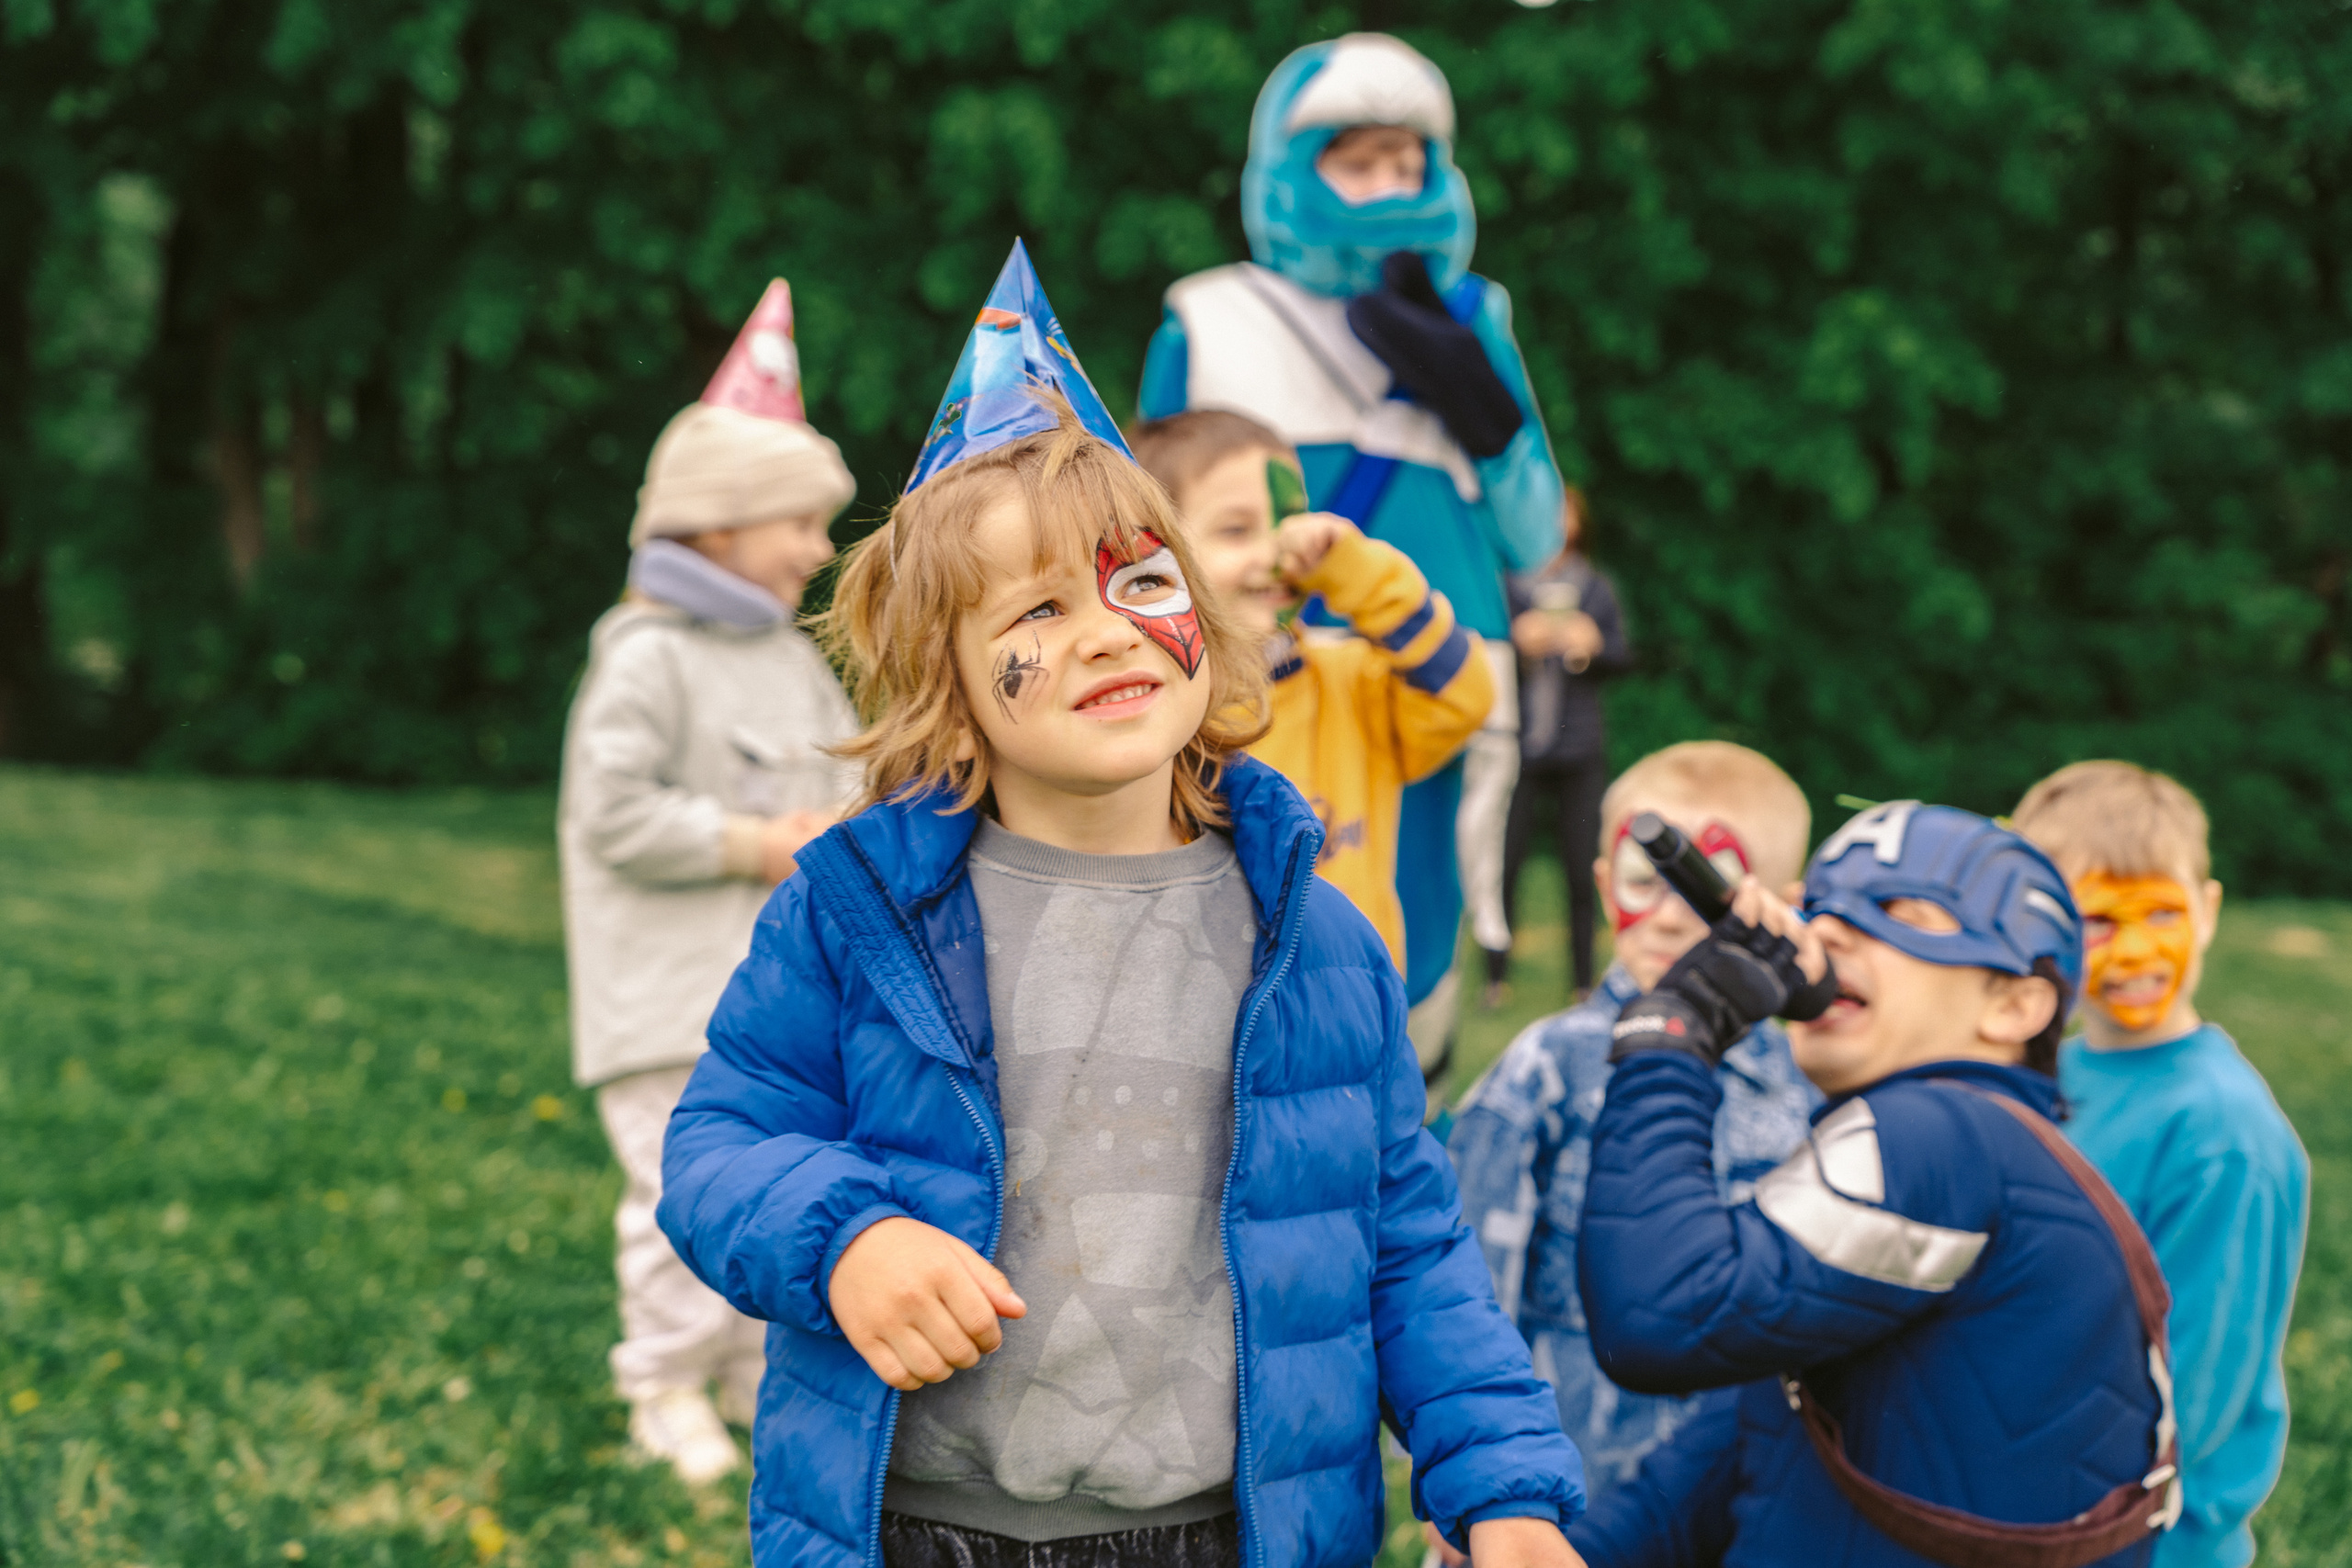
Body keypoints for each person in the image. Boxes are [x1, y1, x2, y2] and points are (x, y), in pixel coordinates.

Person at [655, 242, 1584, 1568]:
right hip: (921, 1524)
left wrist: (1502, 1490)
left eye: (1140, 580)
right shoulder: (856, 913)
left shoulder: (1315, 938)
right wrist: (844, 1239)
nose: (1107, 628)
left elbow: (1407, 1248)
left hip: (1233, 1527)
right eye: (1036, 606)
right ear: (950, 687)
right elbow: (721, 1147)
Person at [1569, 802, 2178, 1568]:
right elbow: (1757, 1432)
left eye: (1900, 912)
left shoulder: (1940, 1131)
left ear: (2017, 1004)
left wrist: (1676, 1029)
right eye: (1817, 910)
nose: (1824, 934)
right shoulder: (1974, 1149)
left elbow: (1660, 1315)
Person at [1138, 32, 1566, 1078]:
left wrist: (1485, 406)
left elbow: (1534, 535)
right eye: (1356, 161)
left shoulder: (1474, 313)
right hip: (1263, 689)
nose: (1387, 186)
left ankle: (1407, 1140)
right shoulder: (1210, 314)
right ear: (1293, 168)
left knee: (1419, 926)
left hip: (1437, 673)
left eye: (1406, 162)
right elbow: (1143, 529)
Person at [557, 289, 861, 1486]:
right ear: (720, 525)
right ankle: (665, 1379)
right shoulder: (643, 655)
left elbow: (846, 784)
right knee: (676, 1191)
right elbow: (613, 813)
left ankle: (746, 1365)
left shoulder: (789, 658)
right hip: (665, 1001)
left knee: (770, 1174)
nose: (820, 550)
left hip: (772, 1001)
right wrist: (753, 840)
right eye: (800, 521)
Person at [1446, 742, 1818, 1508]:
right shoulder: (1546, 1065)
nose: (1668, 915)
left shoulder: (1804, 1080)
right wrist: (1478, 1476)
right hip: (1579, 1483)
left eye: (1705, 888)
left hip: (1749, 1486)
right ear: (1602, 881)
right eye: (1643, 881)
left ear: (1779, 905)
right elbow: (1471, 1283)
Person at [2013, 761, 2309, 1568]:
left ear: (2207, 911)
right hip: (2043, 1490)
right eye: (2099, 920)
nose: (2137, 950)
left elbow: (2193, 1389)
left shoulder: (2221, 1133)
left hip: (2146, 1538)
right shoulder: (2053, 1074)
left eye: (2163, 912)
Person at [1128, 407, 1492, 1016]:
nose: (1276, 551)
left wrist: (1357, 573)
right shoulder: (1149, 710)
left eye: (1289, 522)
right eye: (1237, 530)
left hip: (1352, 1025)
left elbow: (1464, 693)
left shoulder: (1349, 682)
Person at [1489, 491, 1633, 1007]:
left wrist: (1592, 649)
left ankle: (1582, 983)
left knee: (1581, 868)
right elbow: (1477, 657)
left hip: (1579, 752)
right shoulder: (1506, 586)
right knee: (1504, 865)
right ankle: (1493, 979)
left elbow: (1623, 656)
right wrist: (1514, 644)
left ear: (1580, 522)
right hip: (1519, 748)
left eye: (1566, 511)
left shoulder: (1595, 589)